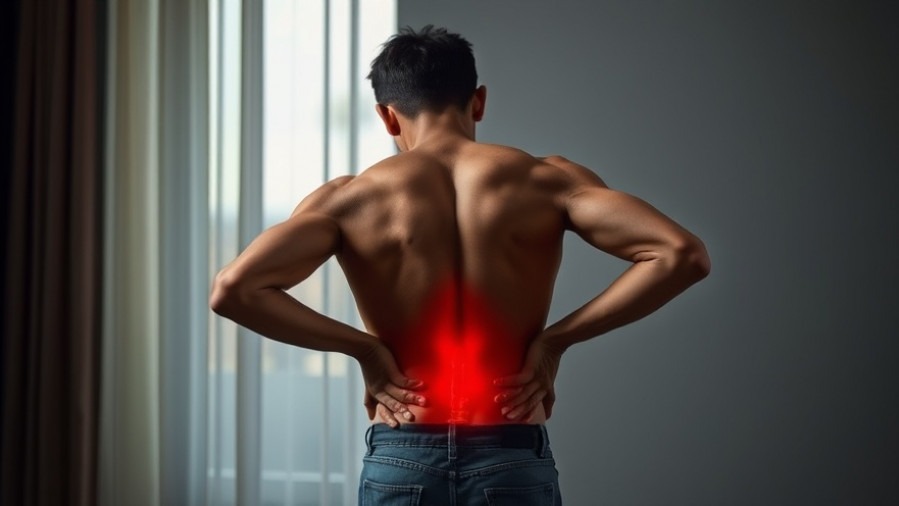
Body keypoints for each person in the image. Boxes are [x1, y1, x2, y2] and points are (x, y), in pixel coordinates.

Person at [210, 25, 710, 506]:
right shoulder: (547, 180)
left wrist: (364, 350)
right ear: (478, 101)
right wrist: (555, 342)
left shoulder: (349, 199)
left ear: (387, 117)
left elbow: (234, 288)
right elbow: (680, 254)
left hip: (403, 452)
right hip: (509, 449)